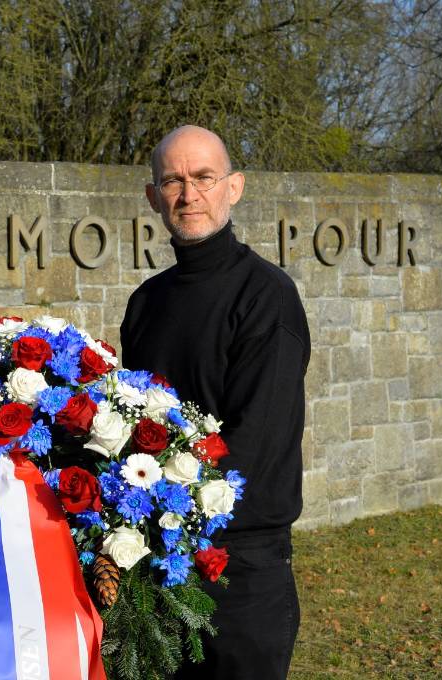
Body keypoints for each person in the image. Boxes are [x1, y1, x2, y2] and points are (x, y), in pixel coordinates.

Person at [120, 126, 310, 680]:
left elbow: (255, 445)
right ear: (154, 197)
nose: (189, 194)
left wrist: (168, 513)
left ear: (234, 187)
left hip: (240, 568)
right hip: (155, 561)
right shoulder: (146, 303)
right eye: (173, 181)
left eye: (203, 177)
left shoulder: (266, 297)